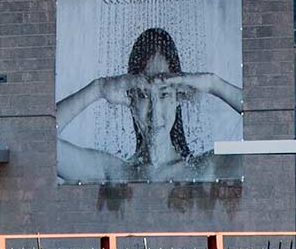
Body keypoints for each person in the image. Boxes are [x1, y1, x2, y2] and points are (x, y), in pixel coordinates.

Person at [56, 25, 243, 183]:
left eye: (163, 95)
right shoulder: (113, 173)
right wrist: (98, 89)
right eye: (144, 96)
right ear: (131, 101)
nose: (155, 113)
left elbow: (270, 142)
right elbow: (35, 144)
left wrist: (213, 84)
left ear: (178, 98)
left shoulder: (206, 170)